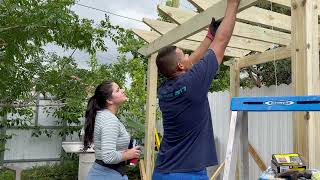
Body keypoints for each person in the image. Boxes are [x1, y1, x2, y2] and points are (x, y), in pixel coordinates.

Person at [152, 0, 241, 179]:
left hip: (162, 171)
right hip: (187, 174)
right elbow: (221, 42)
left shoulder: (164, 90)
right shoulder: (193, 83)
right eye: (184, 54)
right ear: (180, 66)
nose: (188, 56)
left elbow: (189, 62)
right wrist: (232, 5)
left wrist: (209, 37)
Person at [83, 80, 141, 180]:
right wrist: (128, 155)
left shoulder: (103, 115)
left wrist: (123, 152)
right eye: (118, 90)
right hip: (107, 174)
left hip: (107, 173)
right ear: (109, 100)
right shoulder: (109, 120)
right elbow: (108, 156)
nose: (122, 90)